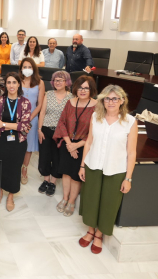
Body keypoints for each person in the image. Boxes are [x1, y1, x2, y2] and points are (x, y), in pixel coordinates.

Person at [78, 85, 137, 254]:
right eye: (107, 98)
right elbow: (89, 142)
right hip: (93, 165)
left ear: (122, 101)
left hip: (116, 170)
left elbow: (131, 152)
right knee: (91, 199)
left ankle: (99, 234)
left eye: (115, 98)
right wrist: (82, 165)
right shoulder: (96, 116)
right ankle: (90, 230)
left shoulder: (130, 122)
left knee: (109, 204)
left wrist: (128, 178)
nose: (111, 102)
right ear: (102, 100)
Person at [53, 75, 98, 217]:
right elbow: (62, 123)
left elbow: (95, 131)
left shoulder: (97, 107)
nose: (83, 90)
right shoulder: (70, 102)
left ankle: (72, 201)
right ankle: (65, 198)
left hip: (84, 146)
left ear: (91, 90)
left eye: (86, 88)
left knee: (76, 176)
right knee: (66, 172)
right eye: (80, 87)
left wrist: (77, 145)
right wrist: (69, 144)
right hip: (67, 144)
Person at [0, 73, 32, 212]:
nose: (11, 85)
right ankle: (0, 190)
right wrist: (13, 125)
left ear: (19, 84)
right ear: (5, 85)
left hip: (18, 142)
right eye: (8, 82)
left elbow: (25, 126)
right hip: (0, 140)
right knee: (1, 166)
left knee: (14, 168)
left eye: (14, 82)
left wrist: (3, 124)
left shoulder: (25, 102)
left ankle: (10, 195)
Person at [37, 71, 73, 196]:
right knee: (44, 156)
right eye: (56, 80)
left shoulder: (71, 97)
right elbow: (42, 113)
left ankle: (53, 182)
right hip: (46, 129)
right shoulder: (49, 94)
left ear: (66, 82)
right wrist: (39, 129)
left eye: (61, 80)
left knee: (57, 157)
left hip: (61, 133)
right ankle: (46, 180)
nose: (58, 82)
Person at [19, 58, 45, 185]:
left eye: (30, 67)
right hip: (18, 118)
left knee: (28, 146)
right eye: (25, 67)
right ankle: (15, 167)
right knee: (16, 143)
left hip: (32, 119)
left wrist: (28, 119)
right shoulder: (18, 81)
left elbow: (40, 104)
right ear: (21, 68)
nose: (27, 69)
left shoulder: (39, 83)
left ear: (34, 68)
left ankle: (24, 169)